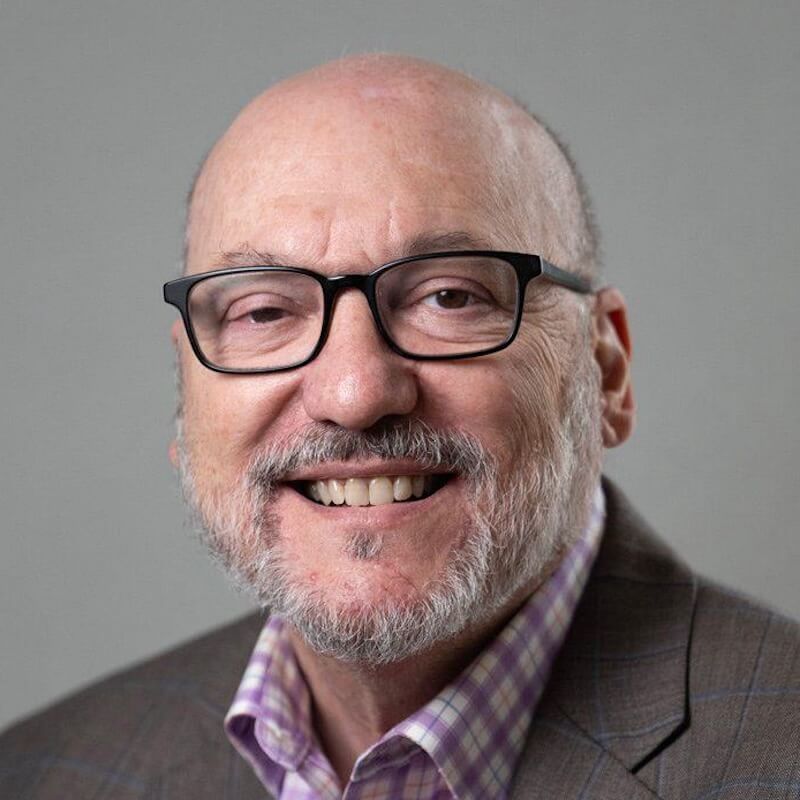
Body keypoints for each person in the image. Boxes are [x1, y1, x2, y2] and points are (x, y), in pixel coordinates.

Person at [1, 54, 798, 800]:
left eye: (450, 297)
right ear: (189, 394)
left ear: (608, 373)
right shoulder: (46, 772)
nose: (354, 391)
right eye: (265, 311)